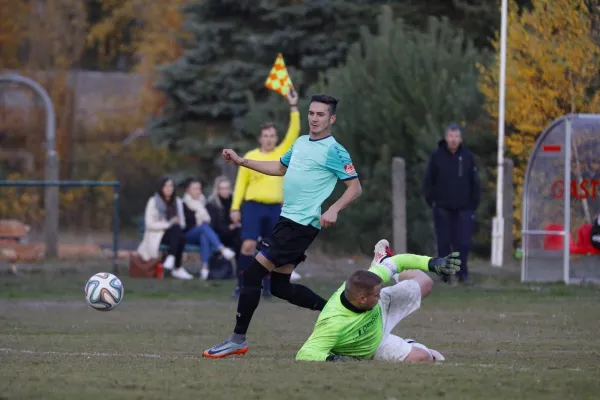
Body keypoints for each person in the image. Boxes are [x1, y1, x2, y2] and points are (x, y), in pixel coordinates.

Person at [203, 94, 363, 359]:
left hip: (301, 225)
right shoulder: (300, 143)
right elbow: (279, 167)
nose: (314, 118)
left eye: (320, 114)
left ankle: (237, 340)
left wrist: (334, 209)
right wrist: (242, 161)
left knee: (252, 275)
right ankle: (341, 315)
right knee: (280, 287)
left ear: (331, 119)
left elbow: (355, 188)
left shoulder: (334, 150)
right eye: (311, 113)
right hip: (287, 220)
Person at [296, 239, 460, 362]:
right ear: (361, 298)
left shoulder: (372, 289)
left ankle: (382, 262)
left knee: (426, 283)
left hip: (377, 309)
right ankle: (410, 343)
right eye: (376, 294)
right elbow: (305, 353)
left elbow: (399, 261)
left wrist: (432, 263)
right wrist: (333, 360)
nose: (381, 294)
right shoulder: (333, 323)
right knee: (424, 358)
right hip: (373, 344)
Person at [230, 90, 301, 298]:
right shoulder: (250, 157)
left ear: (275, 138)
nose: (269, 139)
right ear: (260, 138)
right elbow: (240, 184)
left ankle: (268, 287)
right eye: (266, 136)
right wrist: (235, 207)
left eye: (272, 136)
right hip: (253, 206)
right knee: (248, 245)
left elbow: (294, 131)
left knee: (272, 249)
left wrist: (293, 106)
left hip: (275, 207)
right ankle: (242, 284)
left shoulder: (281, 154)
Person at [422, 122, 480, 284]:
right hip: (442, 207)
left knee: (463, 242)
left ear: (460, 139)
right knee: (444, 242)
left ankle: (462, 274)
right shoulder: (437, 156)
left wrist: (473, 204)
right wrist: (432, 202)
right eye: (450, 136)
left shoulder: (467, 157)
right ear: (446, 138)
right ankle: (445, 274)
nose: (453, 140)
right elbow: (428, 181)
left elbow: (474, 182)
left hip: (464, 208)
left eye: (456, 136)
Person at [137, 177, 194, 280]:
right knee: (178, 233)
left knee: (178, 231)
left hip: (174, 235)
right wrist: (168, 224)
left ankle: (172, 259)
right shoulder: (153, 201)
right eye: (166, 186)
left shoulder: (177, 202)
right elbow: (150, 224)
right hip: (157, 235)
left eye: (171, 186)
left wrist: (176, 222)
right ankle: (177, 267)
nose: (169, 188)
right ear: (161, 188)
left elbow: (182, 224)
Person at [182, 178, 236, 280]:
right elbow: (185, 225)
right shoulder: (184, 203)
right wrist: (199, 225)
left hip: (202, 233)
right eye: (195, 189)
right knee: (203, 227)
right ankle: (222, 249)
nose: (198, 191)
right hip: (188, 234)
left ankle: (204, 269)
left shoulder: (203, 202)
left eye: (199, 188)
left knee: (204, 236)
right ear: (188, 190)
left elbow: (211, 222)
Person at [206, 176, 242, 260]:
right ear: (217, 190)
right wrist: (228, 227)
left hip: (236, 231)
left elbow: (242, 217)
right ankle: (239, 266)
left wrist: (238, 223)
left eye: (227, 188)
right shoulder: (212, 203)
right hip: (220, 235)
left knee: (243, 235)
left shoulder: (235, 201)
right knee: (239, 235)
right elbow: (213, 225)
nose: (225, 191)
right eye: (222, 188)